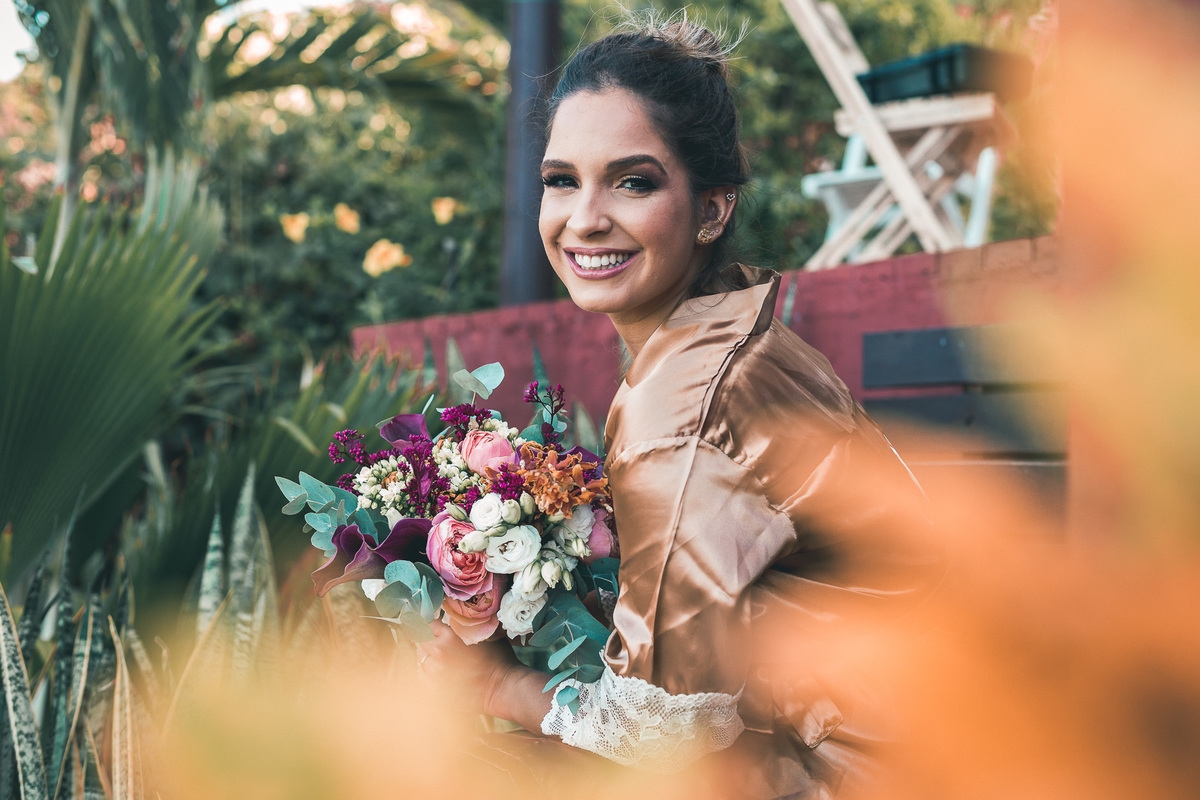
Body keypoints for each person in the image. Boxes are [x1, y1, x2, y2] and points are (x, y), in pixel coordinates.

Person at [416, 15, 937, 798]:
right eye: (562, 179)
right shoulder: (734, 334)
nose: (584, 217)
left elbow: (656, 735)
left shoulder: (687, 405)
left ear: (712, 210)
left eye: (633, 181)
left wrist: (492, 683)